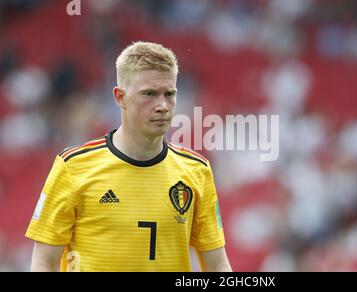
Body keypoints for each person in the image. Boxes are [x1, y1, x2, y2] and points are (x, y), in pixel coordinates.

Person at [25, 41, 232, 272]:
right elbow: (44, 261)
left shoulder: (197, 170)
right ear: (120, 97)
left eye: (169, 94)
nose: (163, 105)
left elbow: (217, 266)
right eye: (150, 94)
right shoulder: (73, 168)